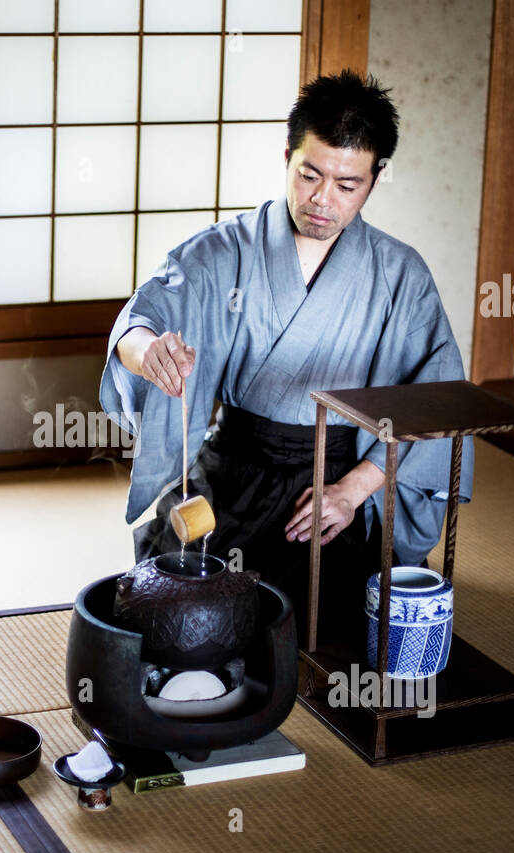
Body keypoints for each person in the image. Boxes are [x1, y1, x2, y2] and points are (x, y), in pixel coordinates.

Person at [100, 69, 474, 651]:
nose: (324, 200)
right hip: (237, 464)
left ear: (374, 180)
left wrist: (353, 492)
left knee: (340, 624)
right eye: (310, 174)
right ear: (288, 157)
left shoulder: (401, 274)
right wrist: (149, 352)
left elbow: (438, 398)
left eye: (348, 185)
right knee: (172, 604)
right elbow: (139, 318)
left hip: (337, 477)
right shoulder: (224, 250)